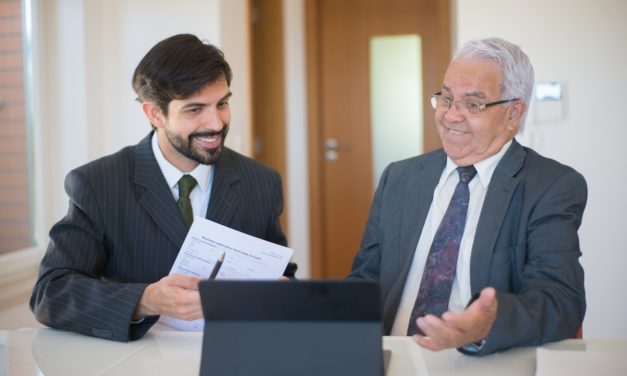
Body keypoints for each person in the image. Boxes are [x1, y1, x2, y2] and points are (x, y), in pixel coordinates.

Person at [30, 34, 295, 342]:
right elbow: (50, 293)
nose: (217, 123)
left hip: (234, 355)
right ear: (154, 114)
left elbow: (281, 273)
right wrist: (145, 300)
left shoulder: (262, 182)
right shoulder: (98, 183)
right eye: (195, 109)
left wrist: (285, 291)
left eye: (222, 104)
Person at [348, 37, 586, 356]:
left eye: (472, 104)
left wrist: (488, 324)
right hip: (393, 357)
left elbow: (559, 299)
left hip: (482, 360)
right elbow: (365, 281)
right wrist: (309, 307)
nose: (451, 116)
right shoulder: (400, 179)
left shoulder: (550, 186)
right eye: (446, 98)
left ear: (513, 113)